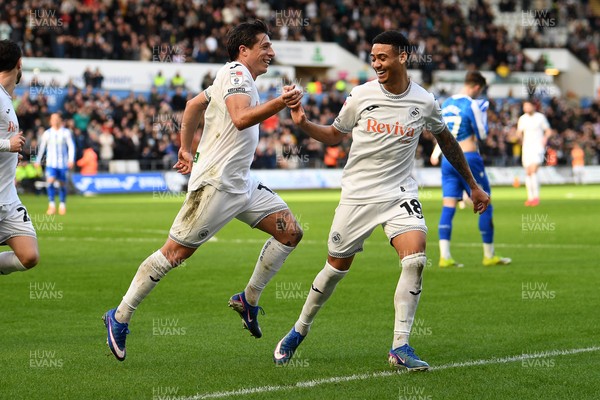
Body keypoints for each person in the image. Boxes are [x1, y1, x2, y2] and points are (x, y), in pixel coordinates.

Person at [273, 31, 489, 371]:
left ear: (403, 57)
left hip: (400, 192)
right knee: (334, 269)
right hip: (357, 194)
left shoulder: (425, 101)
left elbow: (447, 141)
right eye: (373, 58)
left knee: (415, 258)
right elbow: (334, 135)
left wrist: (473, 186)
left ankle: (400, 346)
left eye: (383, 57)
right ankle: (299, 330)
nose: (376, 63)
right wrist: (303, 123)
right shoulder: (361, 95)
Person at [102, 20, 304, 361]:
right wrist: (280, 103)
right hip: (216, 185)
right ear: (244, 50)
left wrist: (185, 148)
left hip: (241, 183)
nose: (271, 52)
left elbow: (194, 104)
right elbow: (240, 119)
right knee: (174, 255)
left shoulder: (232, 77)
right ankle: (119, 316)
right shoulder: (237, 73)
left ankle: (248, 300)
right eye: (265, 46)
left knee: (290, 232)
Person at [430, 71, 511, 268]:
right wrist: (483, 115)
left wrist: (435, 152)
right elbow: (482, 133)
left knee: (448, 205)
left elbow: (442, 132)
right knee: (485, 202)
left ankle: (444, 256)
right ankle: (488, 254)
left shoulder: (446, 102)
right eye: (480, 90)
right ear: (476, 87)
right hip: (468, 157)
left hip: (447, 160)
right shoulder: (472, 104)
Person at [0, 39, 39, 275]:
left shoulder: (7, 98)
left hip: (8, 198)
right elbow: (7, 143)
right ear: (19, 63)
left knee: (29, 256)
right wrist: (8, 145)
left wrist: (11, 155)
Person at [35, 113, 76, 215]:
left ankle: (62, 205)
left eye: (57, 119)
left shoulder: (66, 132)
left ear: (60, 120)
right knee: (50, 181)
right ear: (50, 121)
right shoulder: (47, 133)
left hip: (63, 163)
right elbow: (42, 148)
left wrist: (71, 159)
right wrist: (37, 160)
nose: (55, 121)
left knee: (62, 183)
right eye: (53, 119)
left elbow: (71, 146)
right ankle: (52, 205)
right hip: (51, 163)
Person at [516, 100, 552, 206]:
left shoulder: (540, 117)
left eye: (528, 106)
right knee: (528, 172)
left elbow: (548, 131)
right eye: (524, 106)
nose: (526, 108)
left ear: (533, 107)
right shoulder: (522, 119)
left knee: (533, 170)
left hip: (538, 147)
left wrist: (545, 138)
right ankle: (530, 197)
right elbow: (519, 132)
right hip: (526, 148)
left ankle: (536, 197)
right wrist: (520, 139)